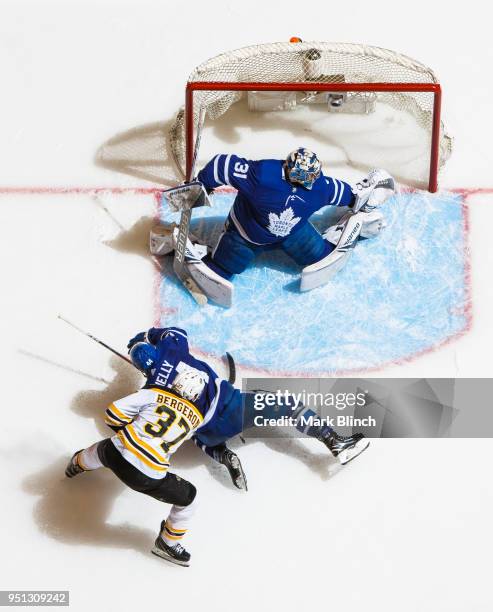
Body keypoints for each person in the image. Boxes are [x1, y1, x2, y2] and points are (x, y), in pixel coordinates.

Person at [66, 326, 370, 566]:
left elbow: (124, 413)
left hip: (202, 429)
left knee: (191, 432)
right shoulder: (171, 351)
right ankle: (335, 441)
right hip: (231, 405)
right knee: (286, 404)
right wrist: (148, 337)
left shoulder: (152, 388)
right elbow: (174, 332)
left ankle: (218, 451)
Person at [151, 148, 395, 305]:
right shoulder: (264, 174)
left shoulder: (320, 186)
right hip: (245, 236)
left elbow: (352, 196)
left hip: (292, 235)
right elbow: (221, 166)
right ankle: (185, 245)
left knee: (321, 256)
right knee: (222, 271)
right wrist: (200, 186)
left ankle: (341, 232)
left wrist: (366, 199)